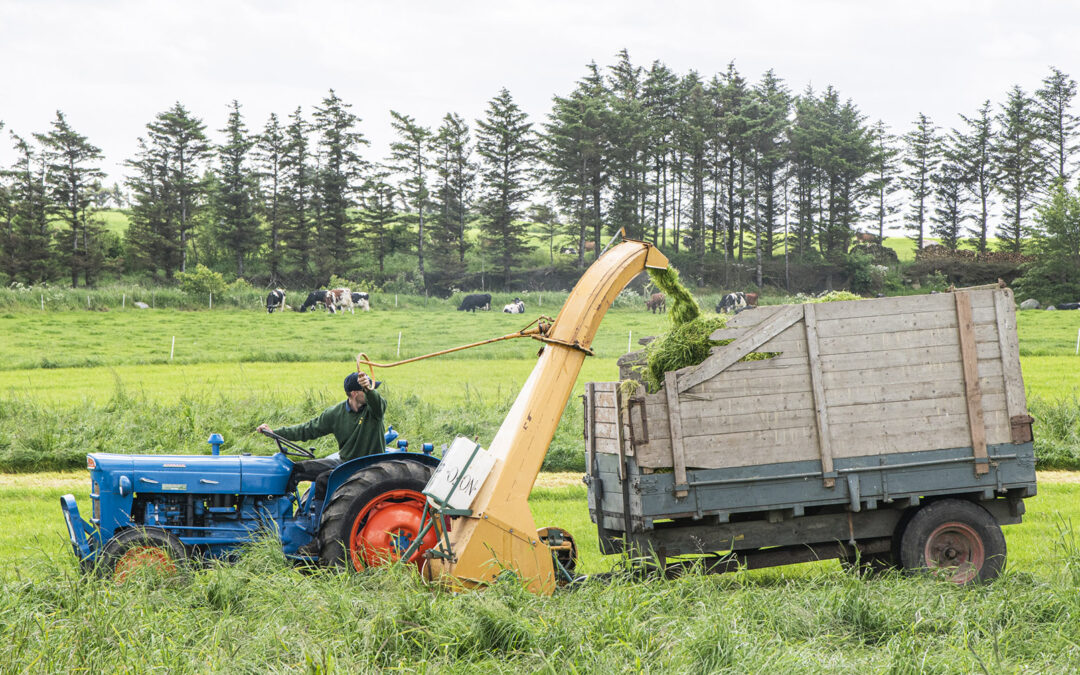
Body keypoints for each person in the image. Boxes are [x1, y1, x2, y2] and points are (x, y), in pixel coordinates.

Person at [256, 371, 387, 512]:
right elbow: (307, 429)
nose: (370, 393)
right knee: (295, 470)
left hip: (369, 466)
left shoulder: (374, 411)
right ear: (354, 393)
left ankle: (319, 525)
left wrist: (368, 389)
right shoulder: (336, 413)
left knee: (324, 480)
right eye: (365, 391)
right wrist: (275, 433)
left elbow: (378, 403)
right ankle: (283, 514)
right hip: (345, 462)